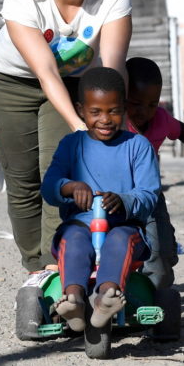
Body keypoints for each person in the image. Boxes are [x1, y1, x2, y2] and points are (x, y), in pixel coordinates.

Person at [0, 0, 132, 276]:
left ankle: (61, 266)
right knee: (22, 182)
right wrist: (80, 127)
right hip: (11, 84)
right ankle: (36, 269)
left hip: (74, 83)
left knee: (59, 172)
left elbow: (111, 69)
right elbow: (45, 70)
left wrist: (108, 124)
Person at [40, 67, 159, 331]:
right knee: (73, 239)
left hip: (124, 225)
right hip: (80, 223)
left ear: (124, 108)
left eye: (113, 111)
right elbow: (48, 187)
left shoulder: (137, 146)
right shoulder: (71, 144)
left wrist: (125, 200)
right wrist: (69, 187)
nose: (105, 119)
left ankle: (107, 296)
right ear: (81, 110)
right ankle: (73, 299)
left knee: (120, 240)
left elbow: (149, 194)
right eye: (96, 112)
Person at [124, 56, 184, 289]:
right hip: (119, 194)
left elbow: (183, 132)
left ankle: (157, 294)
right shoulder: (115, 121)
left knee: (162, 250)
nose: (144, 111)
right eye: (136, 103)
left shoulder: (160, 119)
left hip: (150, 194)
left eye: (152, 104)